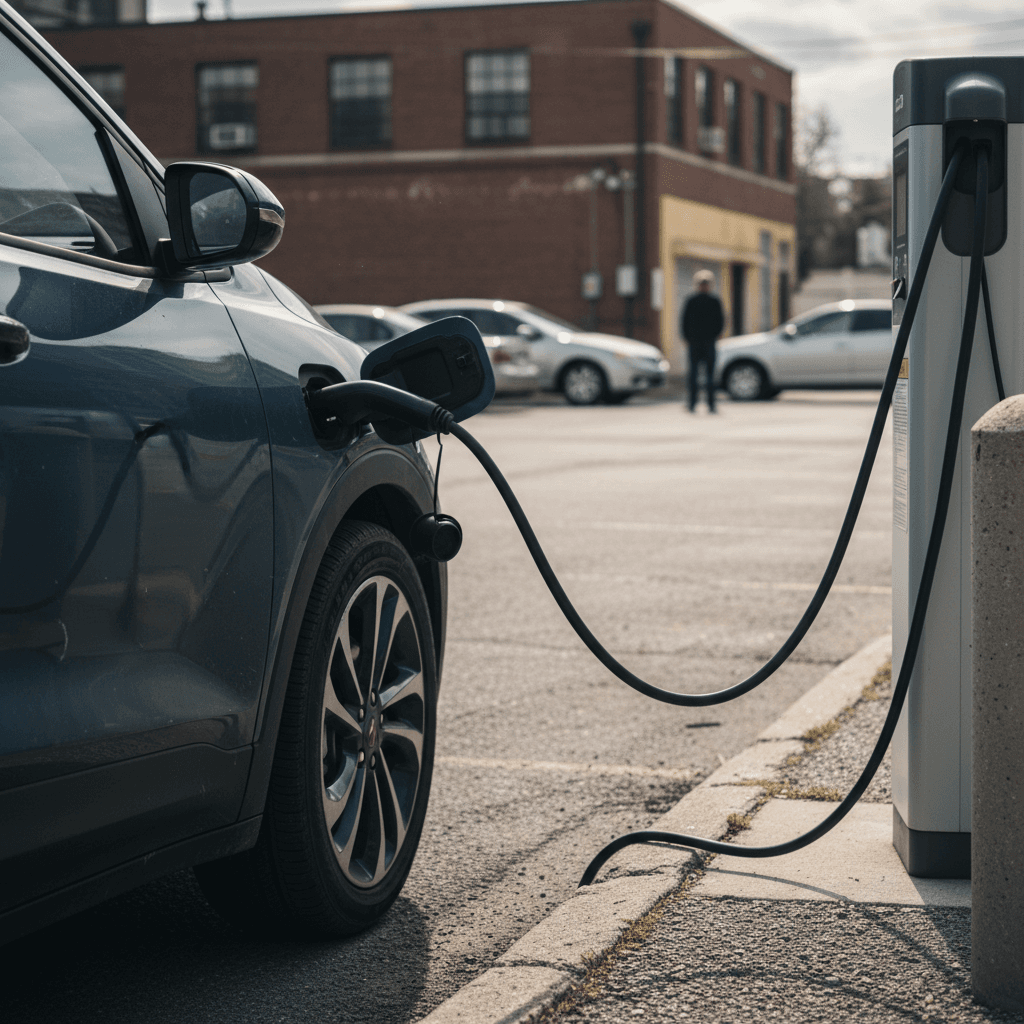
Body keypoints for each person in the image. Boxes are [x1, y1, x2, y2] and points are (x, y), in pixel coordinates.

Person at [680, 269, 725, 413]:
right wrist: (687, 337)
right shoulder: (691, 301)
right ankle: (692, 403)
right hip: (695, 342)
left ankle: (711, 404)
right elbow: (684, 321)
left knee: (710, 375)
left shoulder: (714, 301)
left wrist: (716, 335)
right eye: (701, 284)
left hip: (709, 342)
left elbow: (721, 321)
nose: (704, 286)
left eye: (706, 284)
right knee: (693, 374)